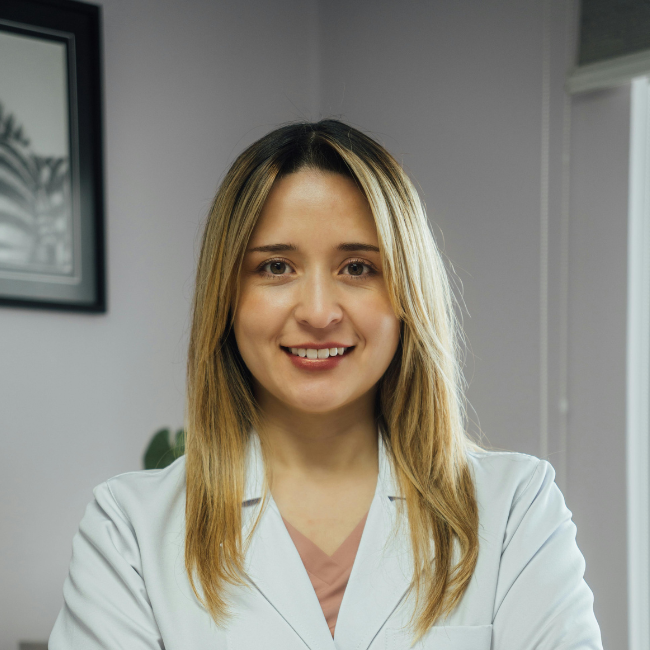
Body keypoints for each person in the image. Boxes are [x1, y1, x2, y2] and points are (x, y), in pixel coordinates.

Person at [49, 120, 603, 649]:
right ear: (227, 297)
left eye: (357, 268)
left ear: (408, 294)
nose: (318, 312)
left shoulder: (514, 510)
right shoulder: (129, 530)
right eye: (276, 267)